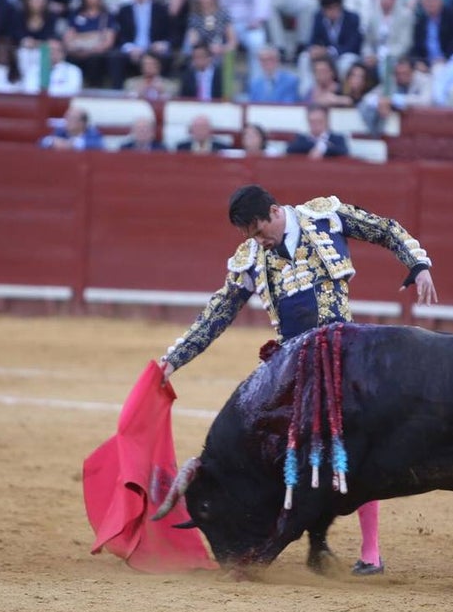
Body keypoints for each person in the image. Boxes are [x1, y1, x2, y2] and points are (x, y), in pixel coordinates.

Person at [158, 183, 438, 576]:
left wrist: (418, 264)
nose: (258, 242)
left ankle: (370, 551)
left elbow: (385, 229)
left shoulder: (325, 217)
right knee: (290, 450)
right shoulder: (250, 258)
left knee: (352, 446)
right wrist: (172, 361)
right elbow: (217, 314)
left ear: (274, 212)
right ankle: (295, 538)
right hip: (296, 364)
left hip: (346, 355)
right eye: (250, 237)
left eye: (259, 231)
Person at [359, 56, 433, 134]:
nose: (401, 77)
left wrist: (394, 100)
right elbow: (367, 98)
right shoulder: (393, 80)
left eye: (405, 73)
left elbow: (426, 101)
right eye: (398, 74)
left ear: (413, 71)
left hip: (422, 126)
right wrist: (380, 101)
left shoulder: (425, 79)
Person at [39, 101, 105, 149]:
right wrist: (52, 142)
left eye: (71, 119)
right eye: (66, 118)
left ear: (82, 123)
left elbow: (98, 145)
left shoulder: (92, 133)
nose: (67, 121)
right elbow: (41, 142)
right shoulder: (61, 131)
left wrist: (73, 144)